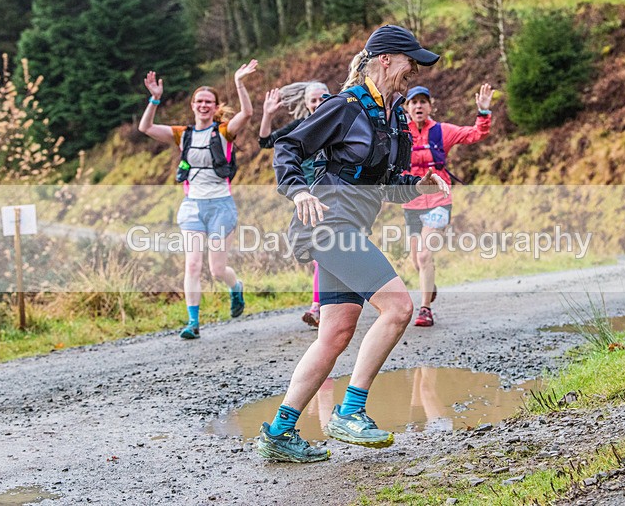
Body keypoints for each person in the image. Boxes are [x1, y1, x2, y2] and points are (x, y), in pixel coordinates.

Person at [256, 25, 447, 463]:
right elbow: (287, 145)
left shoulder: (395, 117)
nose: (413, 71)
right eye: (409, 62)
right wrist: (299, 191)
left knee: (336, 334)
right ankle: (350, 411)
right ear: (384, 60)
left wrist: (417, 184)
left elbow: (383, 185)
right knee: (399, 308)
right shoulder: (345, 107)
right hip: (325, 225)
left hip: (349, 229)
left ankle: (280, 433)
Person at [138, 60, 258, 339]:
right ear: (193, 105)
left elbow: (248, 113)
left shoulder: (225, 131)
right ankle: (193, 323)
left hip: (221, 207)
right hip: (192, 207)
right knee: (192, 264)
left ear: (215, 107)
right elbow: (146, 127)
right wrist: (154, 99)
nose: (203, 105)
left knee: (217, 270)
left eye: (208, 102)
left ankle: (235, 286)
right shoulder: (183, 134)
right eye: (199, 101)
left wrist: (239, 82)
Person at [403, 83, 494, 327]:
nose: (419, 106)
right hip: (411, 204)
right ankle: (428, 285)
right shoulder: (400, 133)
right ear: (407, 107)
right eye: (414, 102)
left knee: (424, 255)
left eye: (423, 101)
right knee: (416, 261)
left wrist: (483, 113)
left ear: (431, 106)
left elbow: (476, 134)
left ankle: (425, 310)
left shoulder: (442, 131)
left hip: (439, 202)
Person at [259, 81, 330, 328]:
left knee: (323, 252)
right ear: (306, 104)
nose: (318, 104)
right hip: (306, 198)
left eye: (323, 98)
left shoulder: (339, 124)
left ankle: (319, 307)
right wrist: (268, 114)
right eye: (313, 100)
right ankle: (326, 304)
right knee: (319, 254)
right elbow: (267, 142)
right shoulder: (300, 127)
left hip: (334, 196)